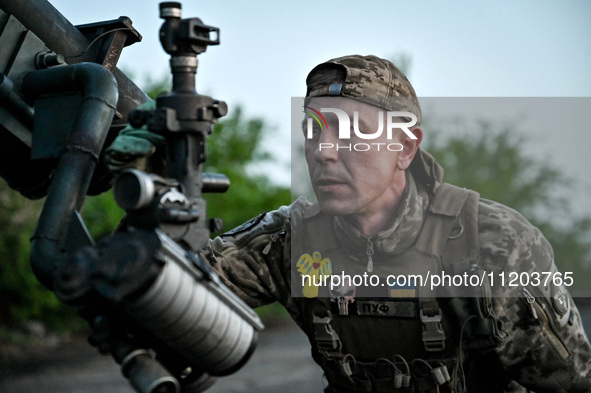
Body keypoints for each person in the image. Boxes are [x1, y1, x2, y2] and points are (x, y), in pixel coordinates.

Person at [105, 55, 591, 392]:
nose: (323, 150)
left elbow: (570, 382)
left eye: (349, 131)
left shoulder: (494, 245)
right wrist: (151, 182)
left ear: (404, 147)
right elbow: (164, 292)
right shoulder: (290, 239)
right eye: (313, 129)